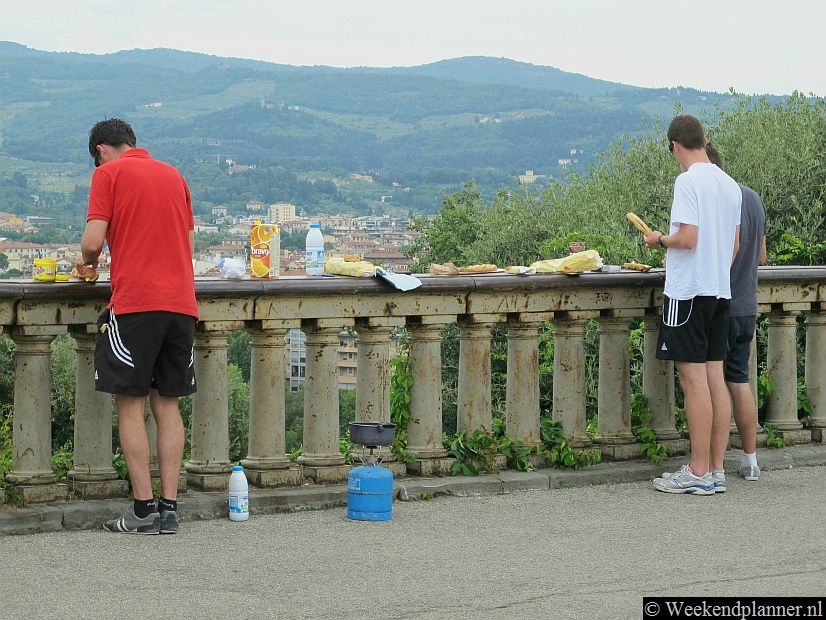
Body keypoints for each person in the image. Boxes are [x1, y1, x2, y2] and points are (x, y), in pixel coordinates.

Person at [77, 118, 198, 533]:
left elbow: (93, 242)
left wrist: (87, 266)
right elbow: (188, 241)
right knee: (167, 405)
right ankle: (169, 509)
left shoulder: (107, 174)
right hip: (181, 304)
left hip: (136, 304)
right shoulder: (174, 175)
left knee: (130, 405)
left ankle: (142, 511)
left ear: (101, 150)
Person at [643, 115, 741, 495]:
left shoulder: (687, 181)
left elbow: (687, 238)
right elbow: (733, 247)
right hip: (720, 291)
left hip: (687, 294)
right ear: (703, 140)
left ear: (675, 146)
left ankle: (697, 470)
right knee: (715, 379)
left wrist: (658, 240)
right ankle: (715, 467)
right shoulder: (728, 183)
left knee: (693, 382)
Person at [705, 142, 767, 486]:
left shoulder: (719, 200)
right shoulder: (753, 198)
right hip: (748, 306)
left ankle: (712, 464)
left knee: (711, 383)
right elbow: (761, 255)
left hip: (722, 304)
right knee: (739, 382)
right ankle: (750, 460)